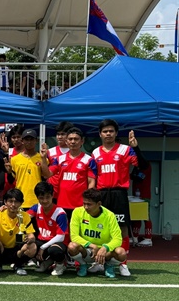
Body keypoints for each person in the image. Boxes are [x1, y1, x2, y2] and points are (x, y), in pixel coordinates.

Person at [91, 119, 144, 277]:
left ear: (115, 133)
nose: (108, 134)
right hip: (101, 194)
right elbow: (92, 176)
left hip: (119, 194)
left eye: (111, 131)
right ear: (100, 134)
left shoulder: (125, 150)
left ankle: (123, 263)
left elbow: (142, 165)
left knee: (122, 229)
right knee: (100, 229)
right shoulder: (95, 153)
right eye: (105, 131)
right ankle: (100, 263)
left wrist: (136, 147)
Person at [67, 188, 127, 278]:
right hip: (87, 251)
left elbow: (118, 239)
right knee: (72, 246)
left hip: (105, 253)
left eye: (89, 204)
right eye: (84, 203)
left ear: (99, 204)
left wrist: (105, 248)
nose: (86, 207)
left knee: (121, 253)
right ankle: (83, 265)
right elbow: (74, 236)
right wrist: (92, 245)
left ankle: (109, 266)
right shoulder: (77, 212)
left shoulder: (109, 215)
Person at [0, 188, 37, 276]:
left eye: (16, 202)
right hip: (1, 249)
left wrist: (30, 239)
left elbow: (31, 235)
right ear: (5, 202)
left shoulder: (24, 216)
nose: (13, 204)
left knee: (33, 246)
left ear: (21, 203)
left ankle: (18, 265)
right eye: (10, 201)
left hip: (17, 249)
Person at [46, 127, 96, 216]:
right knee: (64, 230)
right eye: (70, 139)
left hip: (80, 205)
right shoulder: (59, 159)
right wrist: (43, 158)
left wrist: (88, 201)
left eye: (76, 139)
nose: (73, 142)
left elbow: (91, 182)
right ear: (66, 141)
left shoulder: (89, 160)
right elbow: (47, 174)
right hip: (62, 204)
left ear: (82, 141)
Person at [27, 181, 69, 276]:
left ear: (52, 195)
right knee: (28, 244)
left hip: (58, 243)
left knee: (54, 250)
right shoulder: (36, 208)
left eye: (47, 197)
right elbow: (24, 218)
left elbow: (61, 237)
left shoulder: (60, 213)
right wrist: (8, 209)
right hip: (43, 240)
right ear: (37, 198)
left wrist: (43, 247)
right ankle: (47, 262)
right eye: (41, 198)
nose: (45, 201)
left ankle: (61, 263)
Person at [7, 129, 50, 209]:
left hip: (38, 200)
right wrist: (9, 172)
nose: (29, 142)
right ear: (22, 141)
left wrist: (43, 158)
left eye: (31, 139)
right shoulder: (15, 159)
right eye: (26, 139)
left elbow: (46, 176)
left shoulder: (42, 158)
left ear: (36, 141)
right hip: (20, 200)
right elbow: (11, 181)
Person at [131, 161, 153, 247]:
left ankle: (148, 238)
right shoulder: (137, 167)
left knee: (146, 216)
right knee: (136, 216)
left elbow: (138, 178)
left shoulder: (146, 166)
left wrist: (134, 174)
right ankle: (135, 236)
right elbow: (132, 176)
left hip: (144, 196)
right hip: (136, 195)